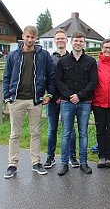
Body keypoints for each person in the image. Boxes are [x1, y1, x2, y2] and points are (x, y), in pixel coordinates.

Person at [3, 25, 55, 179]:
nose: (30, 40)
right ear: (23, 36)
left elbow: (51, 76)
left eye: (33, 37)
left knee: (35, 133)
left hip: (35, 101)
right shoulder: (13, 55)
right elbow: (6, 77)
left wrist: (49, 94)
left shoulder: (43, 55)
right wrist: (7, 97)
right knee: (15, 134)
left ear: (36, 38)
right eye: (28, 36)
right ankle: (12, 164)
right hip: (16, 100)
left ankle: (36, 163)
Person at [56, 31, 98, 176]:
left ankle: (83, 163)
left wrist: (79, 96)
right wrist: (69, 95)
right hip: (67, 102)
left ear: (84, 43)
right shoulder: (63, 61)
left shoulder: (91, 62)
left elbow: (93, 82)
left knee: (83, 133)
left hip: (84, 102)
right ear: (71, 42)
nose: (78, 43)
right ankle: (64, 163)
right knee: (66, 133)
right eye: (76, 41)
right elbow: (58, 81)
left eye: (81, 41)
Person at [44, 29, 78, 169]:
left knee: (70, 130)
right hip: (53, 100)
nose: (60, 41)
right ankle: (50, 157)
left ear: (67, 40)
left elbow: (75, 81)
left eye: (62, 38)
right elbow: (46, 78)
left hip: (68, 100)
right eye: (58, 39)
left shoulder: (72, 58)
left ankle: (72, 156)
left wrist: (66, 96)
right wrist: (55, 96)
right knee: (52, 129)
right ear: (54, 41)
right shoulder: (49, 59)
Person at [92, 39, 110, 168]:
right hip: (99, 102)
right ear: (102, 48)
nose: (108, 50)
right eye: (106, 47)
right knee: (100, 130)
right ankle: (101, 156)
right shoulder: (96, 64)